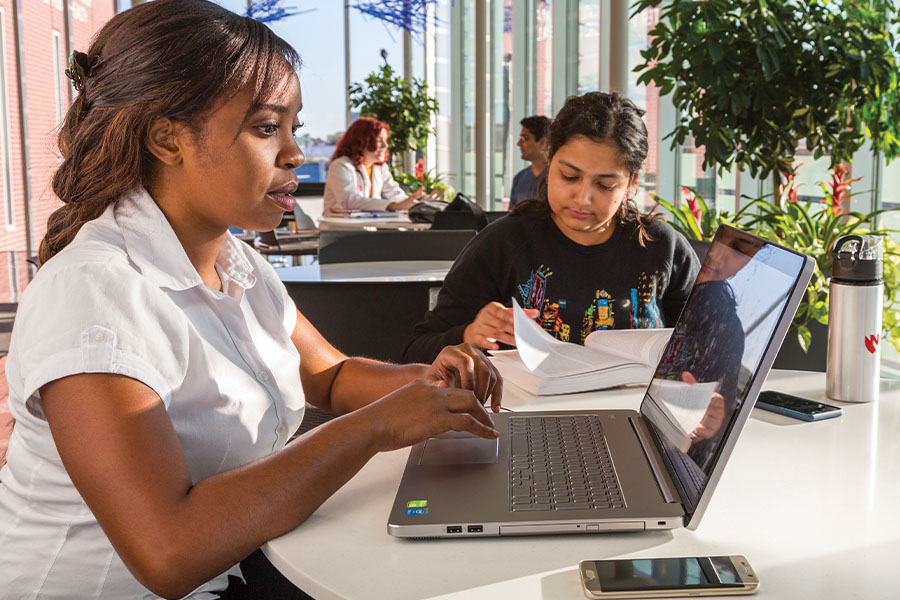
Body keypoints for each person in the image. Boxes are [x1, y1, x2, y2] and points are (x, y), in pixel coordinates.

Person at [0, 2, 501, 599]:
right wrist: (376, 427)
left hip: (238, 570)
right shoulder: (97, 294)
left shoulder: (238, 264)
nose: (294, 153)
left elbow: (333, 376)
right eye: (267, 128)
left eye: (293, 127)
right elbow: (168, 552)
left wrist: (423, 383)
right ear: (167, 138)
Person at [403, 91, 700, 365]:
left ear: (631, 184)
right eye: (569, 176)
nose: (582, 199)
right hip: (527, 418)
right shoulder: (503, 244)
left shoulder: (663, 248)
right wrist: (468, 335)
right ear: (549, 163)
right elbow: (416, 351)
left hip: (635, 414)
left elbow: (712, 349)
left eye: (605, 185)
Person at [322, 117, 436, 214]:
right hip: (339, 233)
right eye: (379, 140)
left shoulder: (380, 168)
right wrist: (393, 206)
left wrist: (418, 205)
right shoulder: (341, 166)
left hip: (365, 232)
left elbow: (396, 196)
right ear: (361, 140)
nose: (385, 145)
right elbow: (349, 201)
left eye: (385, 140)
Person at [508, 115, 551, 209]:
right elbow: (511, 216)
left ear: (542, 142)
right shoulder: (519, 179)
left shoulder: (556, 178)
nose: (519, 144)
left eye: (525, 138)